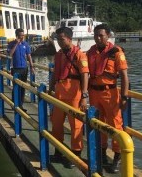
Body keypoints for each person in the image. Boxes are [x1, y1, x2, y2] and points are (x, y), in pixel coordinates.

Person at [86, 24, 129, 174]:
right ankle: (102, 154)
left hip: (110, 93)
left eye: (101, 35)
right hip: (94, 93)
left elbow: (124, 76)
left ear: (108, 36)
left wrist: (124, 97)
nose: (98, 38)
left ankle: (117, 157)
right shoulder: (90, 52)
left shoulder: (116, 52)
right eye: (96, 35)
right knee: (98, 124)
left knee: (115, 125)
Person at [49, 27, 89, 168]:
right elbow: (55, 73)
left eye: (62, 39)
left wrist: (84, 96)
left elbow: (85, 75)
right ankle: (58, 151)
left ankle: (75, 155)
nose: (59, 42)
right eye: (58, 39)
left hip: (74, 94)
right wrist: (50, 89)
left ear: (69, 39)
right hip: (60, 93)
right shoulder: (58, 54)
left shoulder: (79, 54)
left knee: (76, 126)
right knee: (56, 123)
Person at [7, 28, 34, 111]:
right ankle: (14, 104)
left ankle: (21, 105)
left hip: (24, 68)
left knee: (23, 87)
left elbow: (29, 56)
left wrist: (32, 67)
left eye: (23, 35)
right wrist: (16, 44)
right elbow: (10, 54)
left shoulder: (26, 44)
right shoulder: (11, 44)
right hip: (15, 69)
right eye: (20, 35)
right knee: (16, 87)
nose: (22, 37)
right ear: (17, 35)